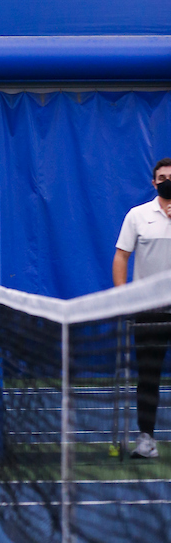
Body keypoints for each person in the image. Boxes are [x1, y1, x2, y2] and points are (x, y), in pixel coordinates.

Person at [113, 157, 171, 459]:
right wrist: (123, 296)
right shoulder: (137, 215)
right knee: (148, 376)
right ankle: (146, 439)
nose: (167, 182)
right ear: (154, 183)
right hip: (149, 310)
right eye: (162, 178)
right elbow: (121, 256)